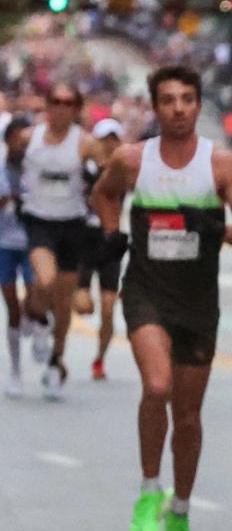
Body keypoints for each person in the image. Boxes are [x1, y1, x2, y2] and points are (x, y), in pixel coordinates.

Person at [92, 65, 232, 531]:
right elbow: (104, 194)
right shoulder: (131, 159)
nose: (178, 109)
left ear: (197, 104)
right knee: (157, 387)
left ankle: (181, 511)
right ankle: (150, 488)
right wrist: (110, 234)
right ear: (154, 107)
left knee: (188, 416)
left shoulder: (222, 165)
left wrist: (215, 230)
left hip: (197, 301)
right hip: (147, 291)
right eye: (167, 100)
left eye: (187, 99)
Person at [19, 82, 101, 400]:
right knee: (44, 281)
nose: (61, 107)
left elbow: (108, 171)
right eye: (56, 101)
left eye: (69, 102)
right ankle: (37, 317)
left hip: (72, 224)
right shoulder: (30, 138)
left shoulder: (84, 142)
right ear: (47, 105)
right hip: (39, 221)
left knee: (64, 303)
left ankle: (56, 361)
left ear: (76, 108)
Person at [77, 117, 125, 380]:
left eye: (114, 139)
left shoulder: (123, 171)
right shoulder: (82, 169)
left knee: (108, 307)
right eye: (104, 139)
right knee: (84, 306)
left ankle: (99, 359)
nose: (109, 145)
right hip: (85, 239)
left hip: (110, 240)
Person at [1, 115, 33, 398]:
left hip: (33, 241)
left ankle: (30, 313)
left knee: (37, 295)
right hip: (4, 243)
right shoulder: (1, 168)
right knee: (10, 304)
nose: (22, 144)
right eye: (18, 139)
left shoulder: (35, 166)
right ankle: (15, 370)